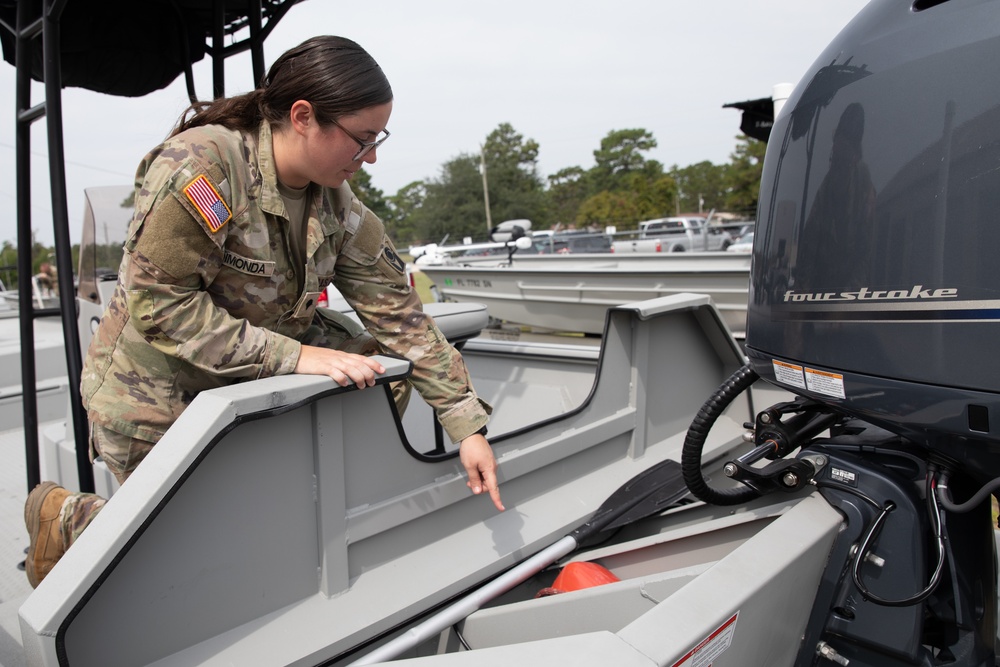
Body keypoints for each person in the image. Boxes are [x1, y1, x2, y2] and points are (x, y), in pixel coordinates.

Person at [24, 35, 503, 589]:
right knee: (190, 558)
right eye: (363, 139)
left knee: (257, 533)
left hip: (249, 388)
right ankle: (67, 519)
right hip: (157, 398)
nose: (371, 156)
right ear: (303, 116)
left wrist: (466, 425)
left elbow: (399, 314)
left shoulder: (335, 203)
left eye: (379, 138)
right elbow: (160, 305)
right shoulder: (203, 171)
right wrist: (295, 355)